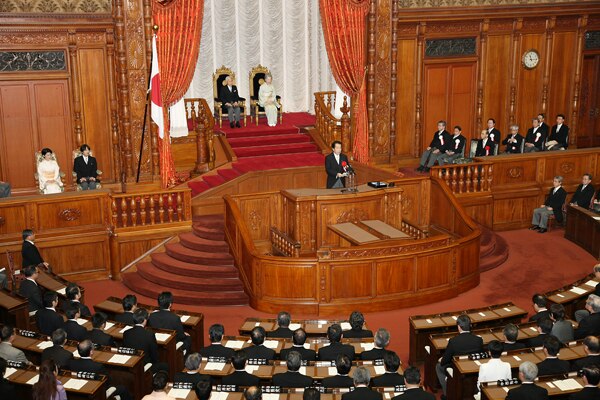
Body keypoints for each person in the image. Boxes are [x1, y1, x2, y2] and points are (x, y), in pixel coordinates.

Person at [436, 315, 483, 398]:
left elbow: (445, 361)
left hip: (457, 369)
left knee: (439, 366)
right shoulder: (478, 340)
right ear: (470, 326)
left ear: (459, 327)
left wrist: (441, 360)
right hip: (474, 367)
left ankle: (447, 394)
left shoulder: (453, 341)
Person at [123, 308, 167, 373]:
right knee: (165, 366)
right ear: (145, 320)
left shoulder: (126, 333)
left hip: (131, 363)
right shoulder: (149, 335)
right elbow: (154, 355)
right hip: (144, 365)